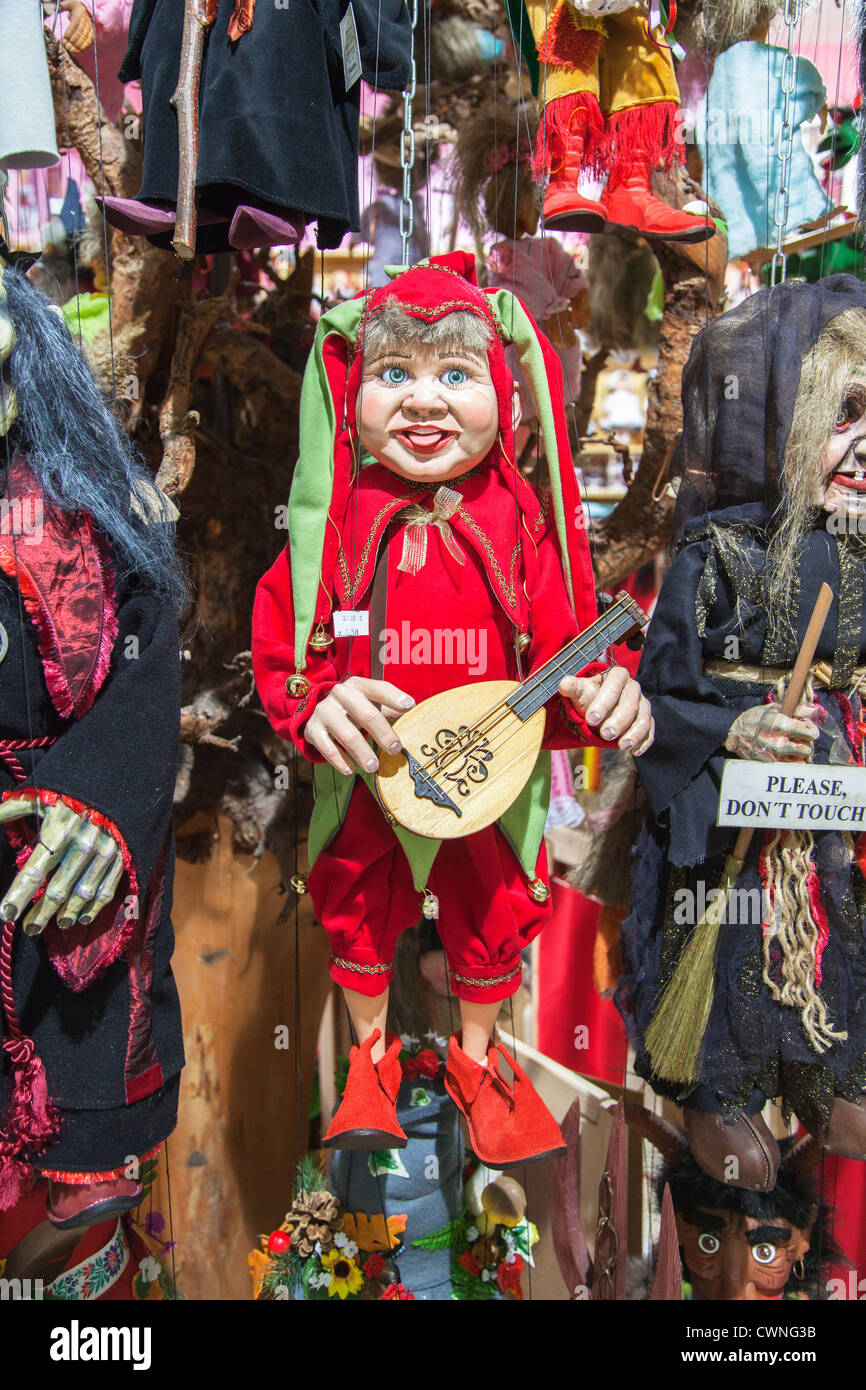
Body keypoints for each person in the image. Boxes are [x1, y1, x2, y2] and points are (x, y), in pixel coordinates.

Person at [253, 251, 653, 1169]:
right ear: (352, 389)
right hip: (370, 768)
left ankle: (479, 1068)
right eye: (394, 374)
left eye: (456, 375)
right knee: (355, 892)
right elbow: (284, 629)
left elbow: (569, 644)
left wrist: (603, 692)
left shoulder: (520, 522)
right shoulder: (335, 522)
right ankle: (367, 1063)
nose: (424, 402)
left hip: (489, 770)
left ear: (504, 398)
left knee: (495, 897)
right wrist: (309, 702)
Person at [617, 275, 866, 1191]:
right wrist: (737, 727)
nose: (865, 444)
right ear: (786, 423)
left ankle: (832, 1072)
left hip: (847, 809)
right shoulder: (720, 553)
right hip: (737, 816)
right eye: (844, 415)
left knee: (843, 931)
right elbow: (662, 702)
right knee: (727, 934)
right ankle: (714, 1092)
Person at [0, 246, 185, 1251]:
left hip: (62, 818)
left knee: (83, 993)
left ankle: (86, 1182)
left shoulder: (94, 503)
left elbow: (148, 667)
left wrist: (95, 798)